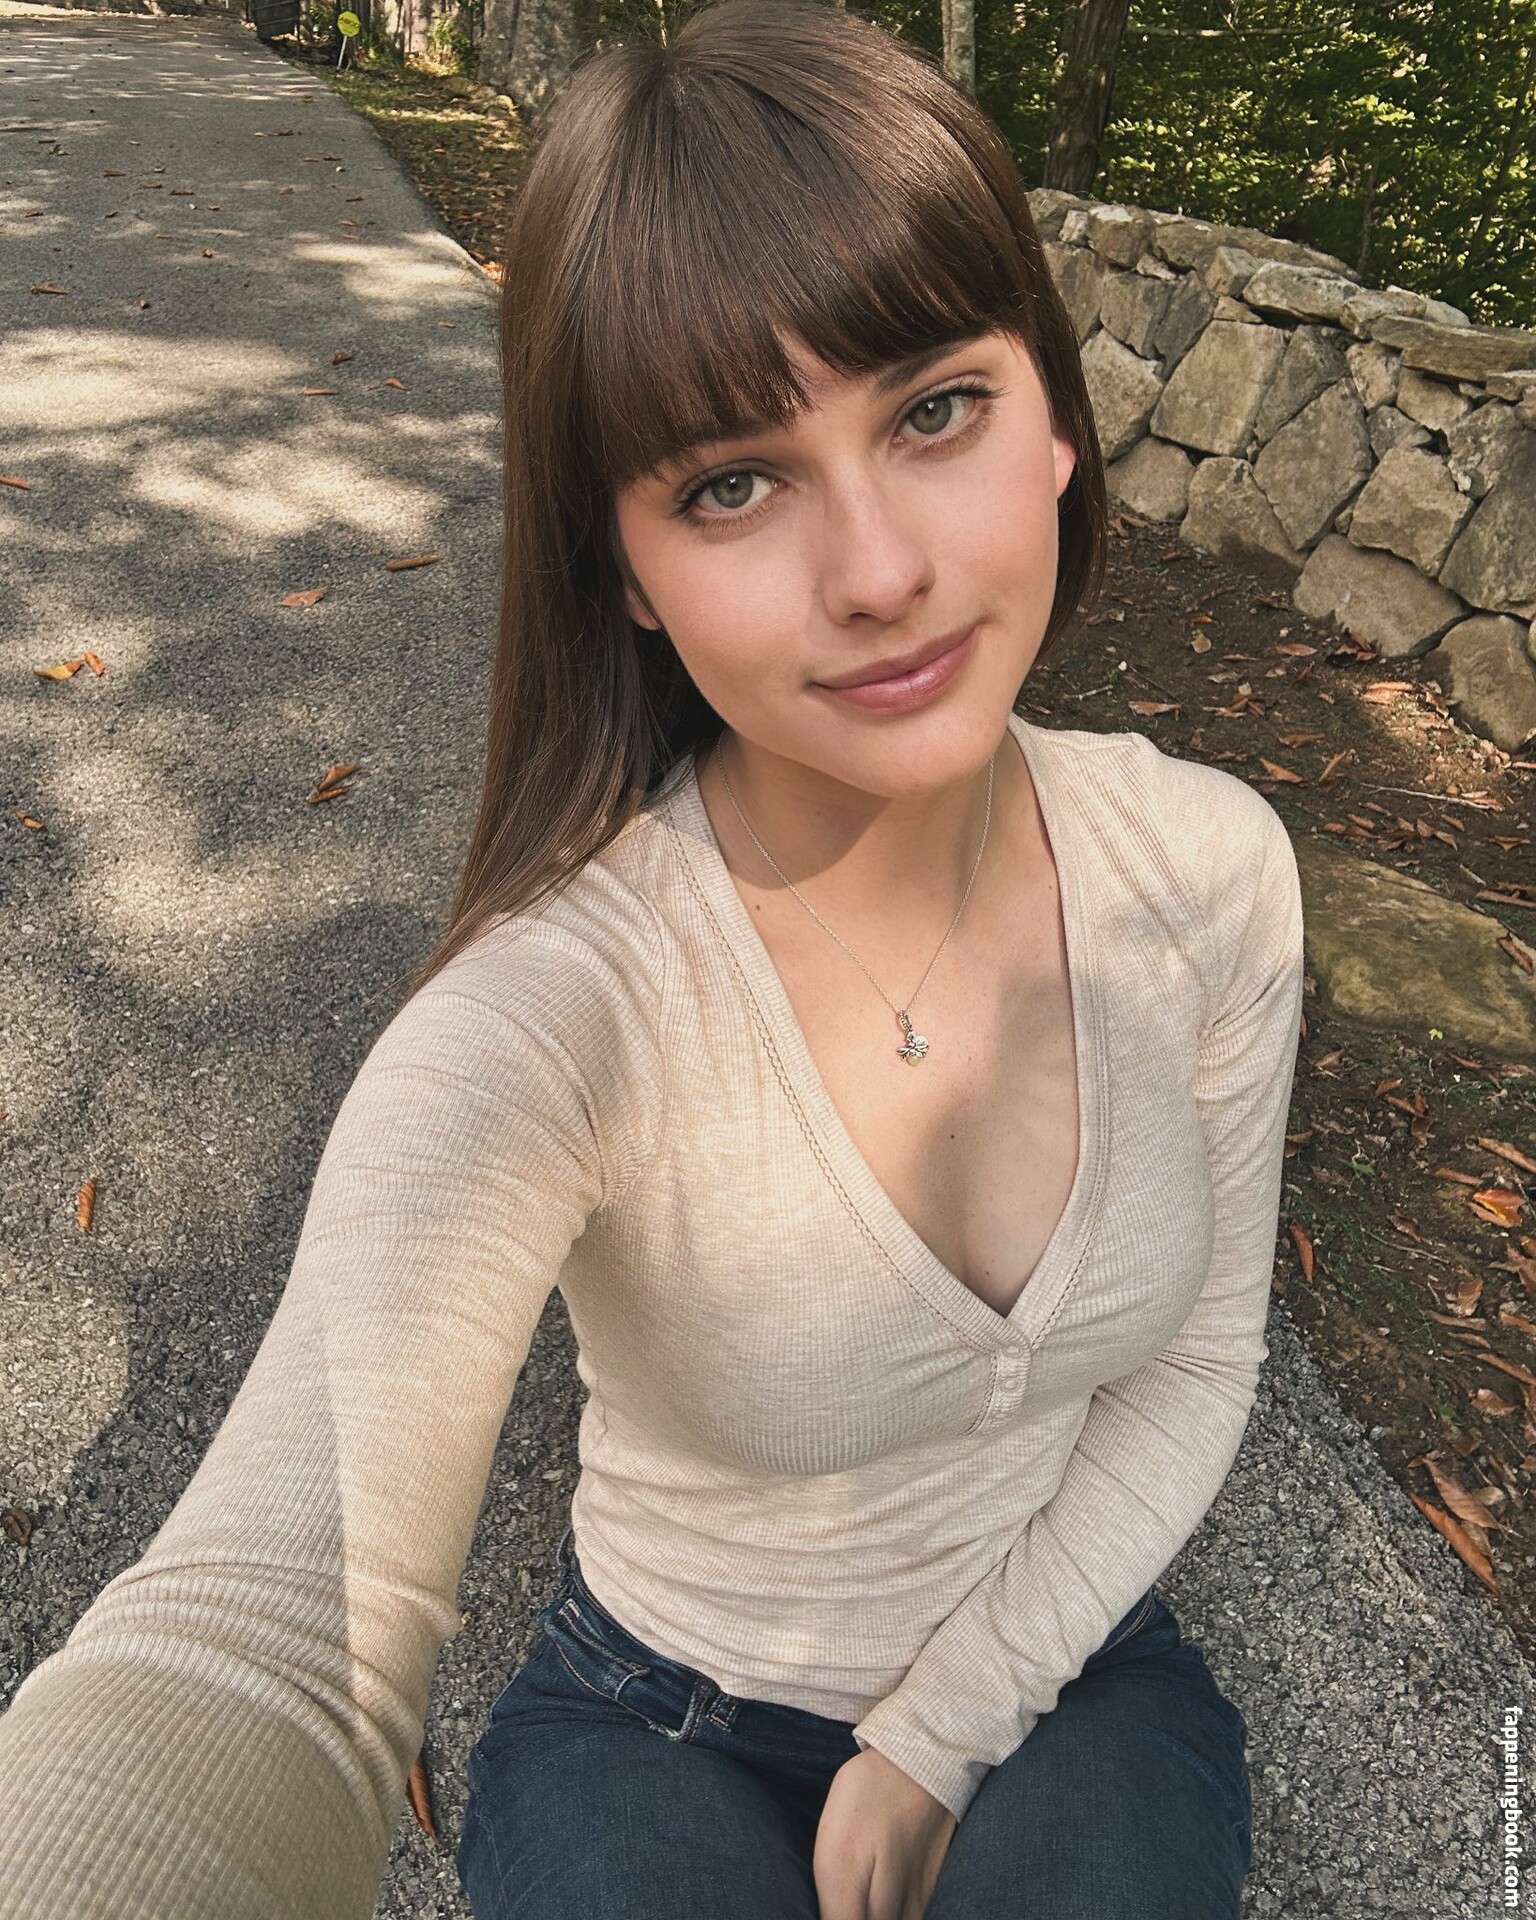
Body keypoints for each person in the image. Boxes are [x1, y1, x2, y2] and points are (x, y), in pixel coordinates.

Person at [0, 1, 1304, 1915]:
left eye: (934, 409)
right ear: (621, 565)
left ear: (1053, 420)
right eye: (730, 483)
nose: (878, 571)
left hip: (1070, 1672)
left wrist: (940, 1733)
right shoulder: (562, 1008)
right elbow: (267, 1626)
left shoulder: (1209, 874)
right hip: (657, 1718)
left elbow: (1198, 1362)